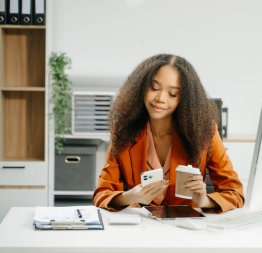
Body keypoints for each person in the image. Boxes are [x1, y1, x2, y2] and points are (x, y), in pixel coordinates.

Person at [93, 54, 244, 213]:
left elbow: (235, 194)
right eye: (154, 87)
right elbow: (102, 194)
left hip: (187, 228)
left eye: (172, 93)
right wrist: (131, 196)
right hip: (140, 227)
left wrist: (204, 201)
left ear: (184, 99)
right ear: (141, 88)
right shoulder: (124, 131)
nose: (160, 98)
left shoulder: (205, 131)